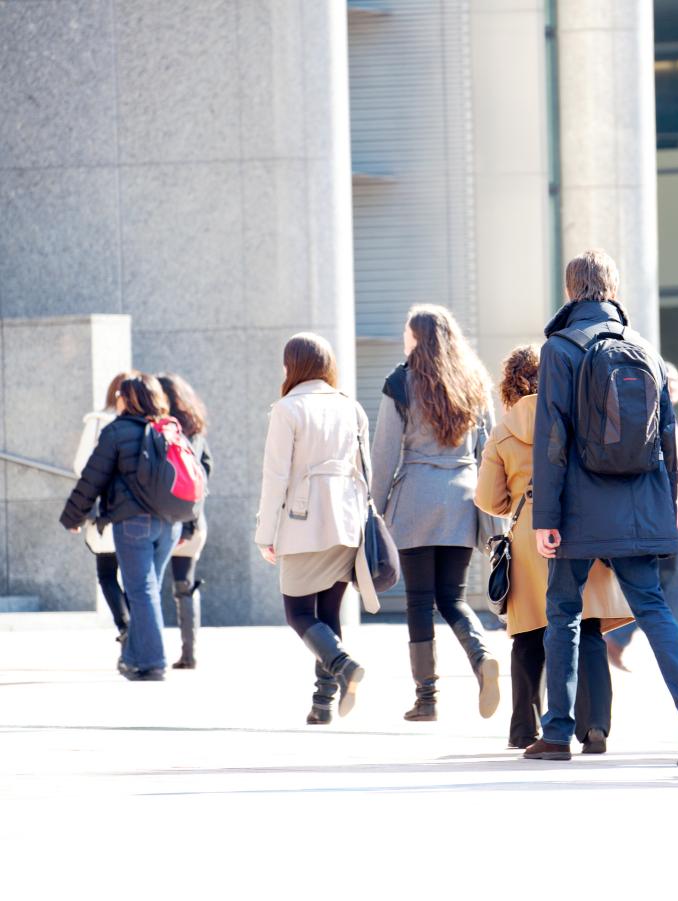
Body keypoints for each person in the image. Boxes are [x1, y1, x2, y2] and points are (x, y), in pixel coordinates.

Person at [527, 249, 678, 763]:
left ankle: (558, 732)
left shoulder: (561, 349)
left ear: (571, 291)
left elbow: (552, 440)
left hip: (579, 509)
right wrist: (667, 500)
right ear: (612, 289)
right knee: (652, 605)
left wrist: (546, 518)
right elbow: (669, 438)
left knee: (564, 610)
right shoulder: (645, 350)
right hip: (638, 502)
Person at [475, 345, 633, 752]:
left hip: (530, 536)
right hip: (581, 525)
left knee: (530, 632)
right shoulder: (577, 415)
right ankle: (595, 726)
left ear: (510, 383)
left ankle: (524, 728)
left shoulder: (503, 429)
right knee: (587, 627)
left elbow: (490, 501)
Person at [372, 305, 501, 722]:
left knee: (418, 601)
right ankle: (481, 657)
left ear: (417, 338)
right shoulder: (474, 382)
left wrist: (373, 510)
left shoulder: (400, 383)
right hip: (462, 501)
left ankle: (426, 698)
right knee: (453, 597)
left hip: (415, 501)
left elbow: (384, 454)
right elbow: (488, 453)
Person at [254, 334, 368, 721]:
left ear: (293, 366)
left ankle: (344, 665)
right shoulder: (350, 407)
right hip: (346, 522)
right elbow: (366, 472)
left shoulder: (287, 409)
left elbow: (275, 477)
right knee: (328, 611)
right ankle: (322, 705)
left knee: (298, 613)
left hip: (302, 523)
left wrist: (265, 535)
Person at [61, 373, 184, 681]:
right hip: (170, 524)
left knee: (141, 590)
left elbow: (92, 477)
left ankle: (153, 661)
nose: (115, 398)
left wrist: (72, 517)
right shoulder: (169, 429)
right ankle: (132, 658)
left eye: (119, 394)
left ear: (127, 399)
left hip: (133, 522)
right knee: (148, 590)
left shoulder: (116, 431)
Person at [605, 361, 678, 669]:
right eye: (669, 382)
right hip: (669, 519)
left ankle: (619, 640)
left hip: (669, 516)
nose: (674, 388)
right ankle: (676, 655)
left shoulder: (654, 417)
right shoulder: (659, 419)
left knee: (658, 588)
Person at [73, 370, 136, 645]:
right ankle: (136, 628)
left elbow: (81, 467)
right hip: (138, 511)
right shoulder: (144, 422)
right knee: (136, 577)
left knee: (107, 573)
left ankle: (127, 627)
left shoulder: (99, 422)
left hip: (107, 512)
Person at [156, 373, 212, 670]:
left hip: (163, 521)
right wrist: (191, 522)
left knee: (145, 584)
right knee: (185, 585)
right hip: (193, 520)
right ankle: (189, 654)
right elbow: (205, 473)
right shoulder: (195, 432)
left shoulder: (161, 431)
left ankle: (142, 651)